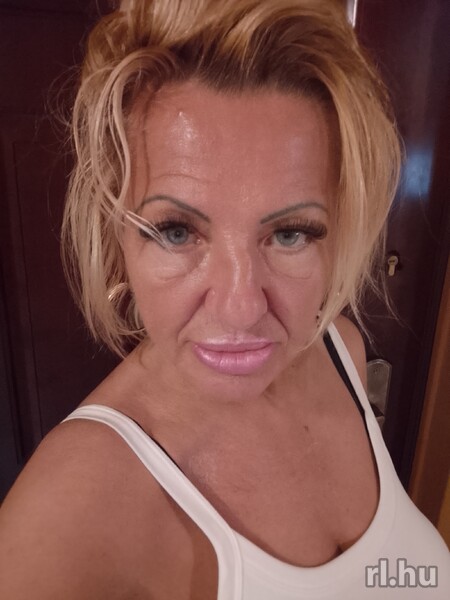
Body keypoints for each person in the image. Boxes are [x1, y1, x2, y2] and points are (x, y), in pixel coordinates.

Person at [0, 0, 448, 598]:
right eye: (176, 232)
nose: (241, 309)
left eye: (290, 234)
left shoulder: (341, 350)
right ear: (117, 236)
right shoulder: (68, 521)